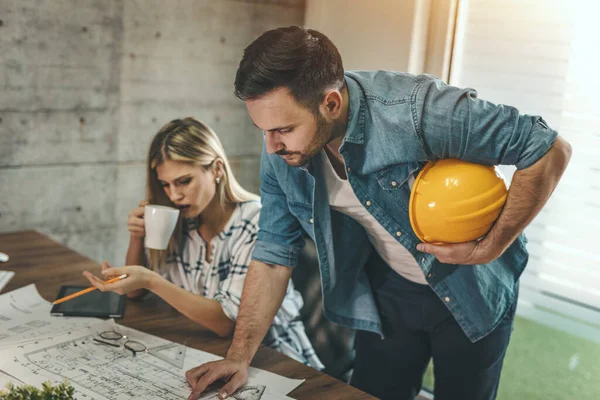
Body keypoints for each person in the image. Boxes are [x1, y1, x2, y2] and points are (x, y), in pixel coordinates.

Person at [184, 27, 572, 400]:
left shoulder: (417, 111)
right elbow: (272, 254)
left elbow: (548, 150)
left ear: (331, 103)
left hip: (472, 285)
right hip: (388, 289)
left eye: (283, 129)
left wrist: (490, 247)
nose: (270, 147)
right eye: (262, 130)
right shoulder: (282, 151)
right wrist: (238, 357)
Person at [83, 117, 323, 370]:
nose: (174, 195)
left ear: (217, 169)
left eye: (184, 181)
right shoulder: (183, 220)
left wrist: (151, 280)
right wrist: (137, 236)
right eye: (165, 184)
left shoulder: (256, 221)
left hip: (277, 359)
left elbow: (226, 323)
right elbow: (135, 293)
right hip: (209, 351)